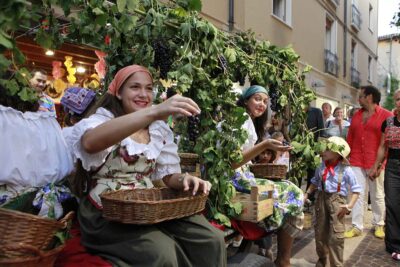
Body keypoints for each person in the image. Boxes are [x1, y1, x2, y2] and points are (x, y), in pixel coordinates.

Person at [64, 65, 225, 266]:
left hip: (148, 205)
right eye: (135, 87)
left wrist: (185, 179)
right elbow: (89, 143)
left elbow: (166, 176)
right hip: (106, 210)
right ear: (119, 92)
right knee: (161, 252)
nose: (144, 94)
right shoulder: (102, 120)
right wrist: (155, 111)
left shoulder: (158, 128)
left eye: (149, 88)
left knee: (211, 240)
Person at [232, 85, 304, 267]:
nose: (262, 104)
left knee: (291, 189)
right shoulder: (239, 119)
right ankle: (283, 259)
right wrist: (265, 146)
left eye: (265, 101)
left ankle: (283, 258)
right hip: (233, 178)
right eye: (257, 99)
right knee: (293, 192)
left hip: (243, 174)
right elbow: (233, 162)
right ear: (246, 100)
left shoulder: (248, 121)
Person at [0, 75, 74, 219]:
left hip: (11, 211)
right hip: (52, 206)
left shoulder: (5, 118)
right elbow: (65, 166)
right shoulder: (47, 120)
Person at [344, 85, 392, 239]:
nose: (358, 99)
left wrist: (380, 165)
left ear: (369, 97)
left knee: (377, 194)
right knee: (357, 194)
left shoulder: (386, 115)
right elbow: (350, 137)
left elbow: (388, 143)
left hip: (375, 162)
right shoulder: (357, 115)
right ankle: (357, 226)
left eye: (361, 96)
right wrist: (346, 156)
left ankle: (379, 224)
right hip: (356, 159)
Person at [304, 136, 361, 267]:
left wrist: (349, 206)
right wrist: (306, 194)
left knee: (336, 236)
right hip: (321, 200)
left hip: (337, 202)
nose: (323, 151)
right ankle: (322, 259)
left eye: (327, 149)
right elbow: (314, 182)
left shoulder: (346, 170)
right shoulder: (321, 166)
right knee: (320, 233)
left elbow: (356, 190)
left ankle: (336, 264)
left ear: (337, 153)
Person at [369, 89, 400, 261]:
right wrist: (376, 166)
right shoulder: (388, 122)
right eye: (398, 99)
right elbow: (382, 147)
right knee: (393, 205)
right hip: (393, 167)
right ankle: (394, 245)